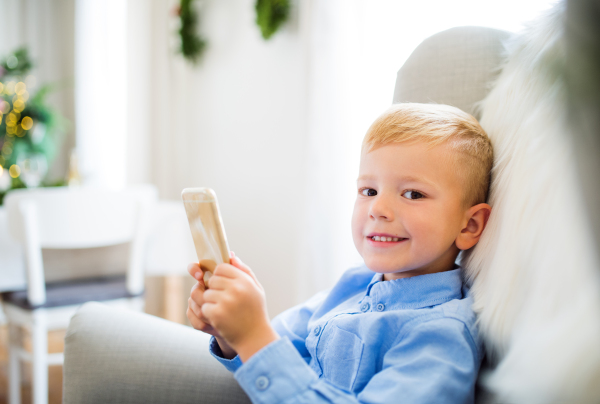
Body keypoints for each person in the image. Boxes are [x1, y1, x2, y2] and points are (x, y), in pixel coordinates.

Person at [187, 103, 493, 403]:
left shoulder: (441, 336)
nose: (378, 209)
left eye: (413, 194)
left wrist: (253, 335)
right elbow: (273, 360)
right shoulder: (353, 285)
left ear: (469, 225)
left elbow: (263, 347)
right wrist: (231, 333)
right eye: (369, 191)